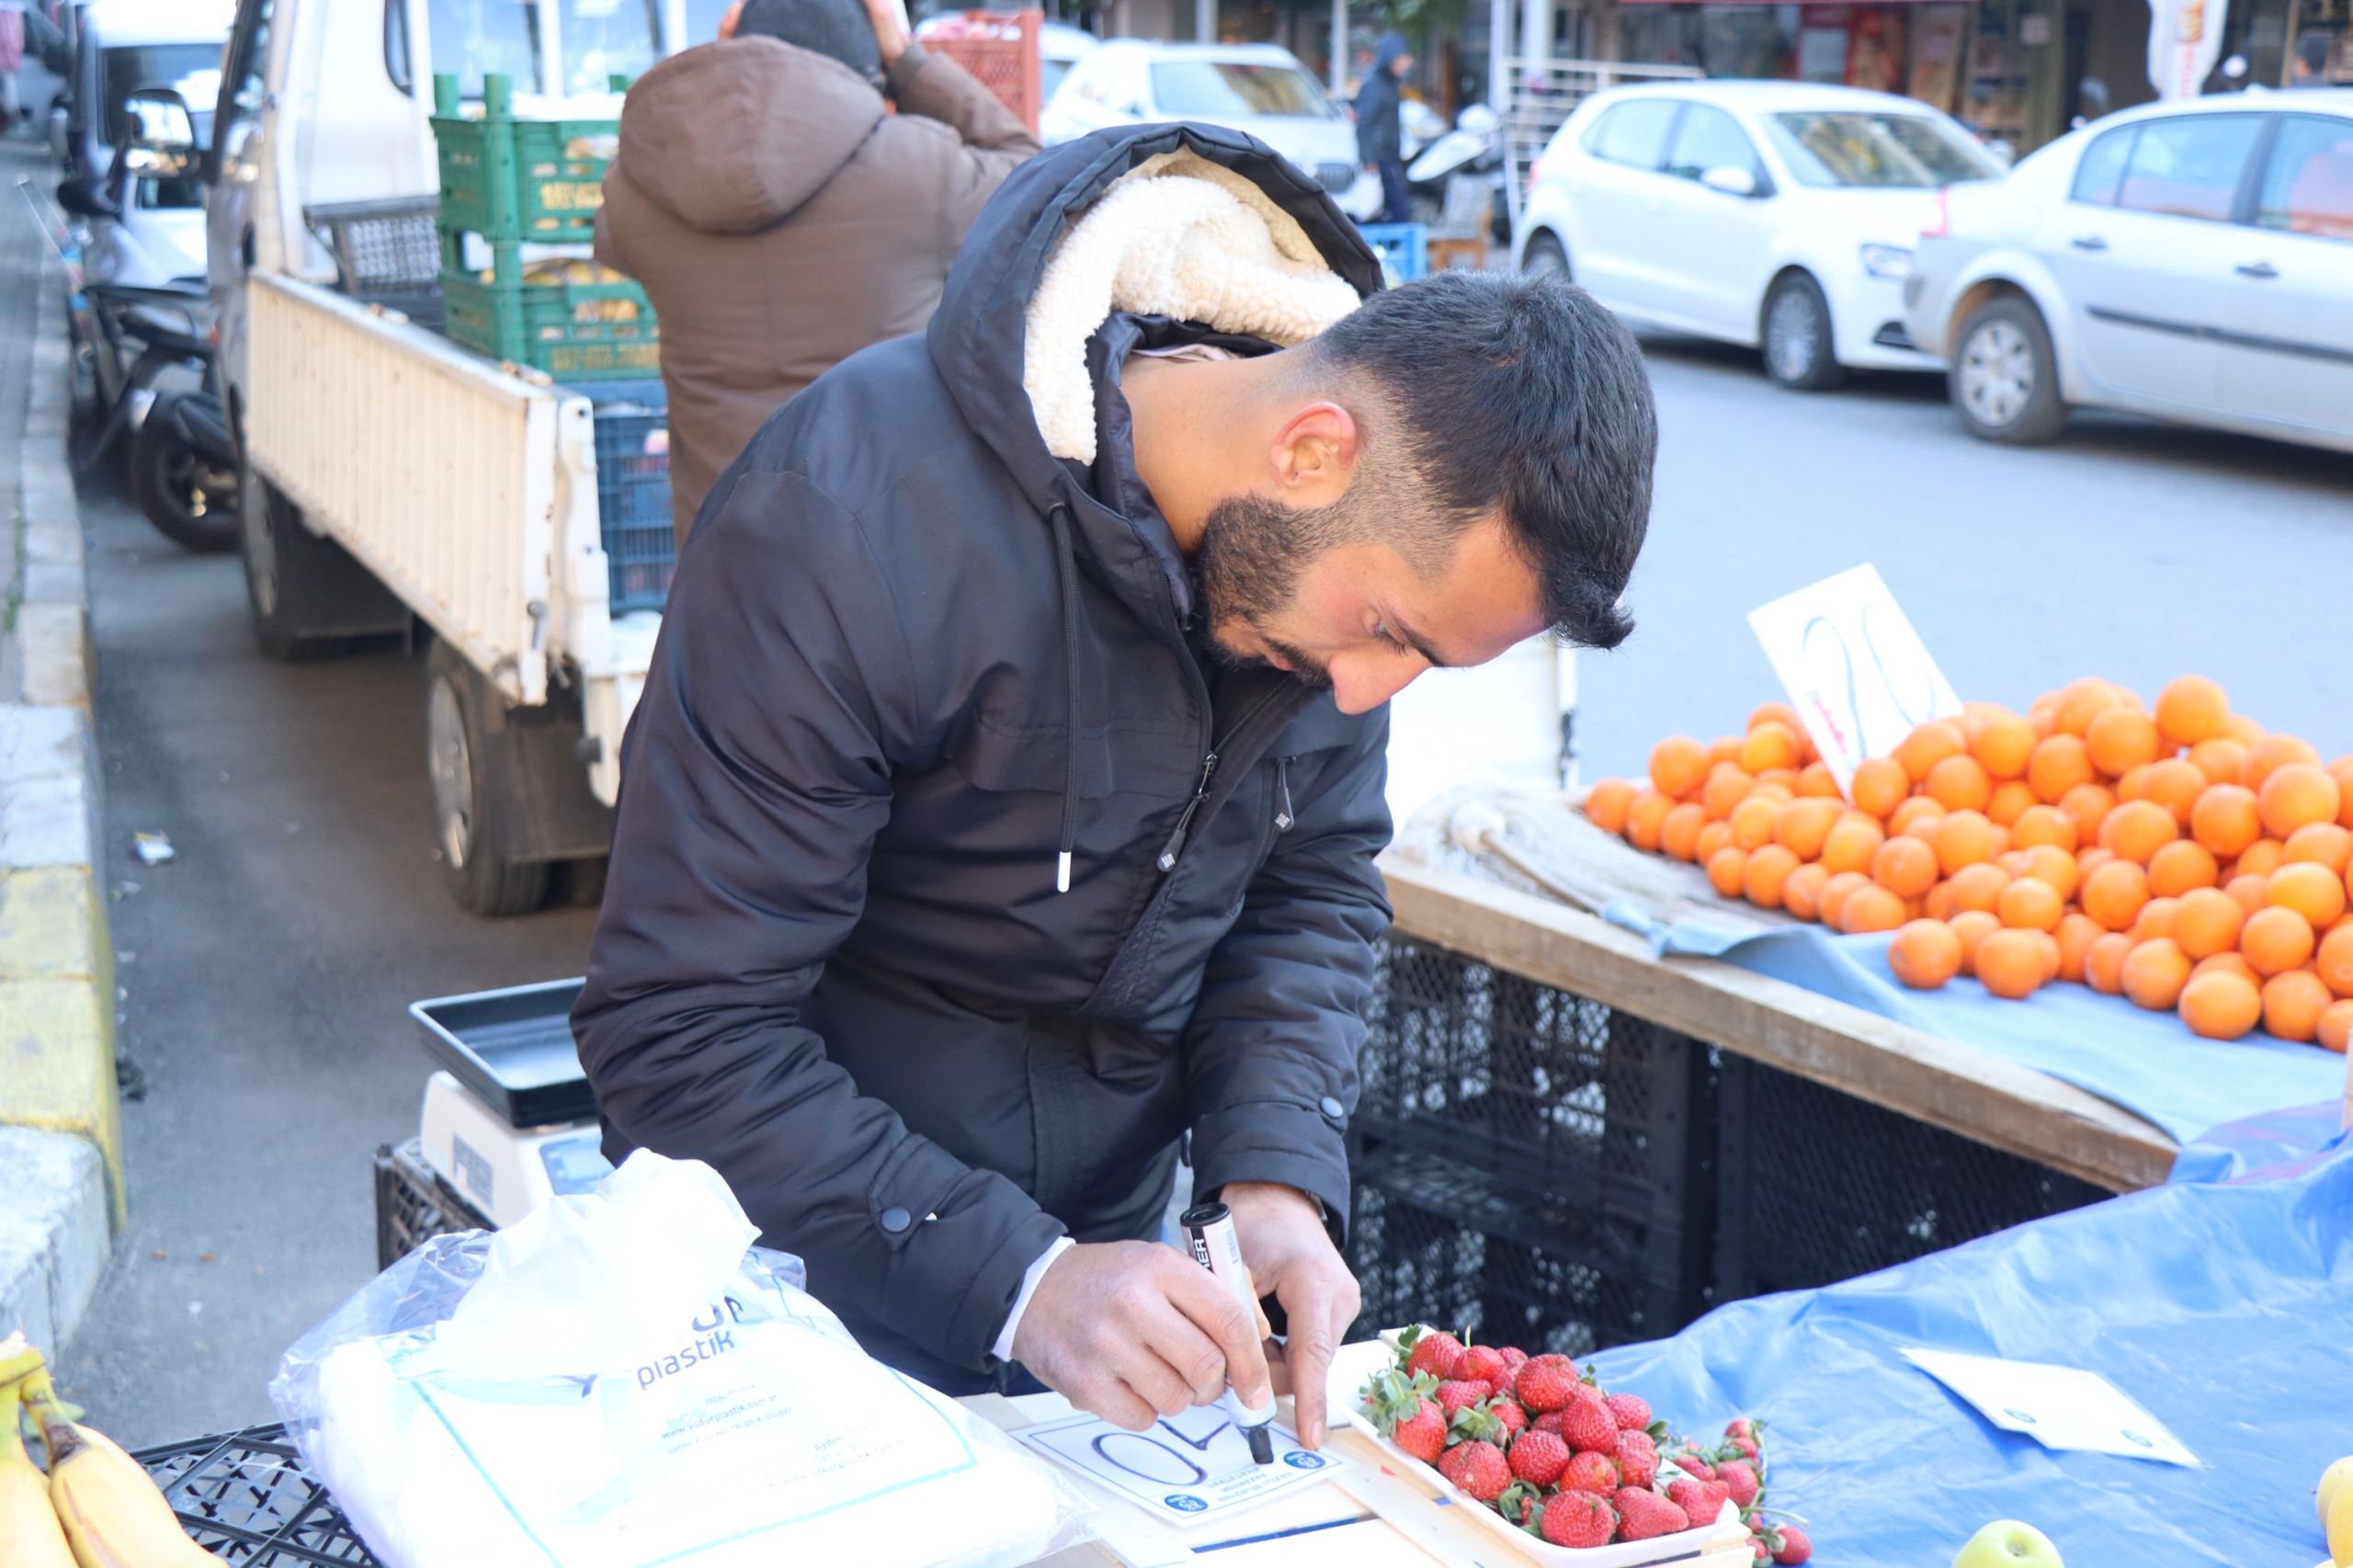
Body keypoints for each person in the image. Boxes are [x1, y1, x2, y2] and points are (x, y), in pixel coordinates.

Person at [572, 124, 1655, 1447]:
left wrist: (1271, 1175)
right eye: (1390, 631)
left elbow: (1307, 886)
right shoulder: (852, 511)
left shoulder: (1323, 591)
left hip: (1112, 1287)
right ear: (1312, 450)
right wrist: (1019, 1279)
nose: (1370, 693)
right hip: (800, 1295)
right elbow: (677, 1028)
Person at [595, 0, 1040, 548]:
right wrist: (909, 60)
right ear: (869, 61)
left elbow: (618, 211)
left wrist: (727, 67)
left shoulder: (634, 202)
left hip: (720, 556)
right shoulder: (921, 172)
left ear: (733, 34)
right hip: (886, 550)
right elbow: (1031, 176)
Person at [1354, 33, 1415, 225]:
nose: (1406, 64)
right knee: (1397, 210)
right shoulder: (1375, 86)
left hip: (1389, 155)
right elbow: (1365, 124)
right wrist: (1369, 159)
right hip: (1381, 159)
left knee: (1392, 209)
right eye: (1401, 59)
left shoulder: (1390, 84)